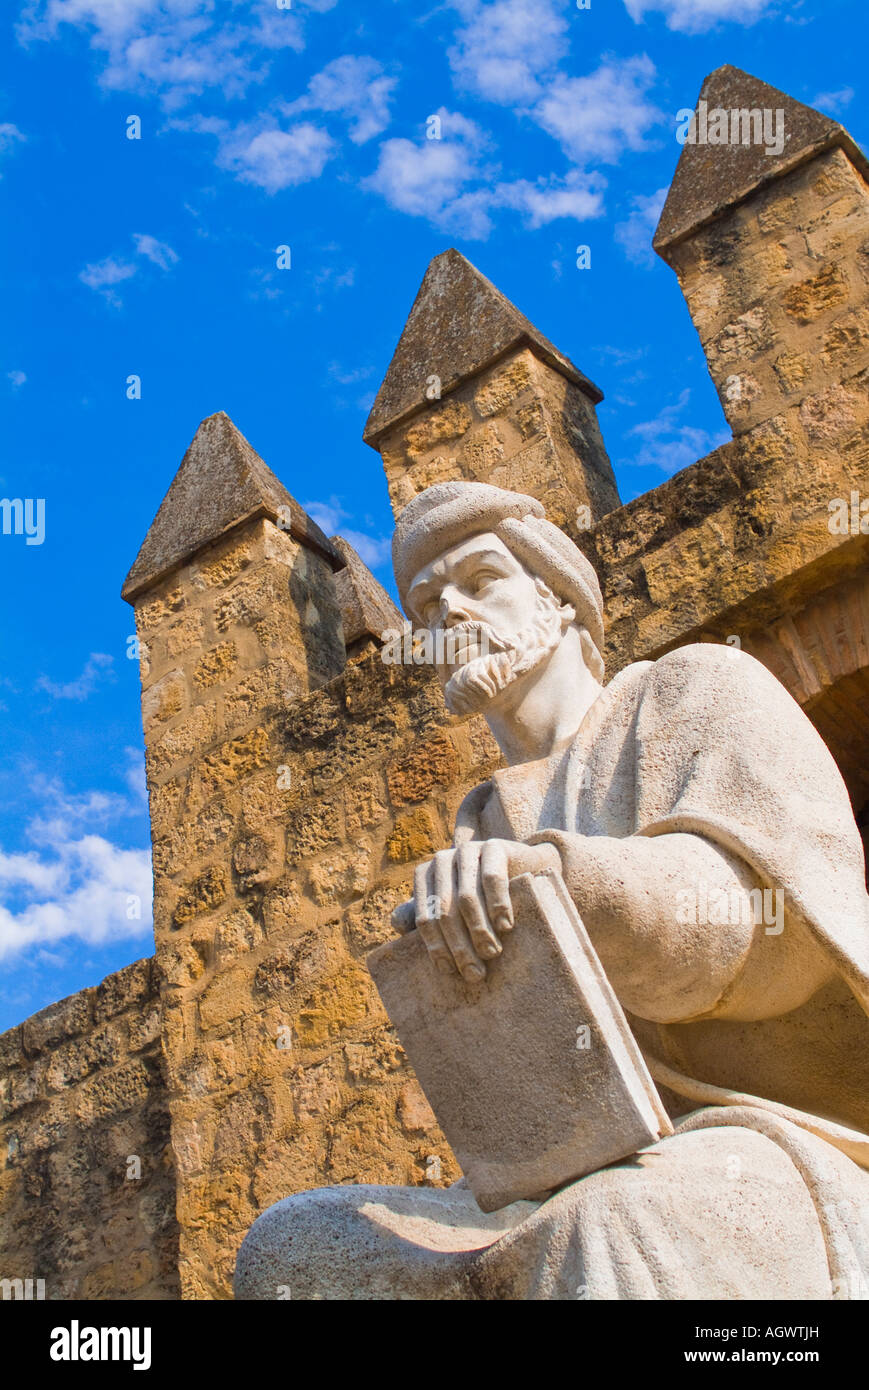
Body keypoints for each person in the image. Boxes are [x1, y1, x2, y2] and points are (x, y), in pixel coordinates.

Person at [235, 481, 869, 1301]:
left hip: (770, 1139)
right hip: (563, 1181)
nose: (449, 617)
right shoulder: (483, 821)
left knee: (610, 1220)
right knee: (291, 1252)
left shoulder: (692, 690)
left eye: (480, 581)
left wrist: (565, 879)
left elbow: (759, 933)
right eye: (424, 606)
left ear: (559, 596)